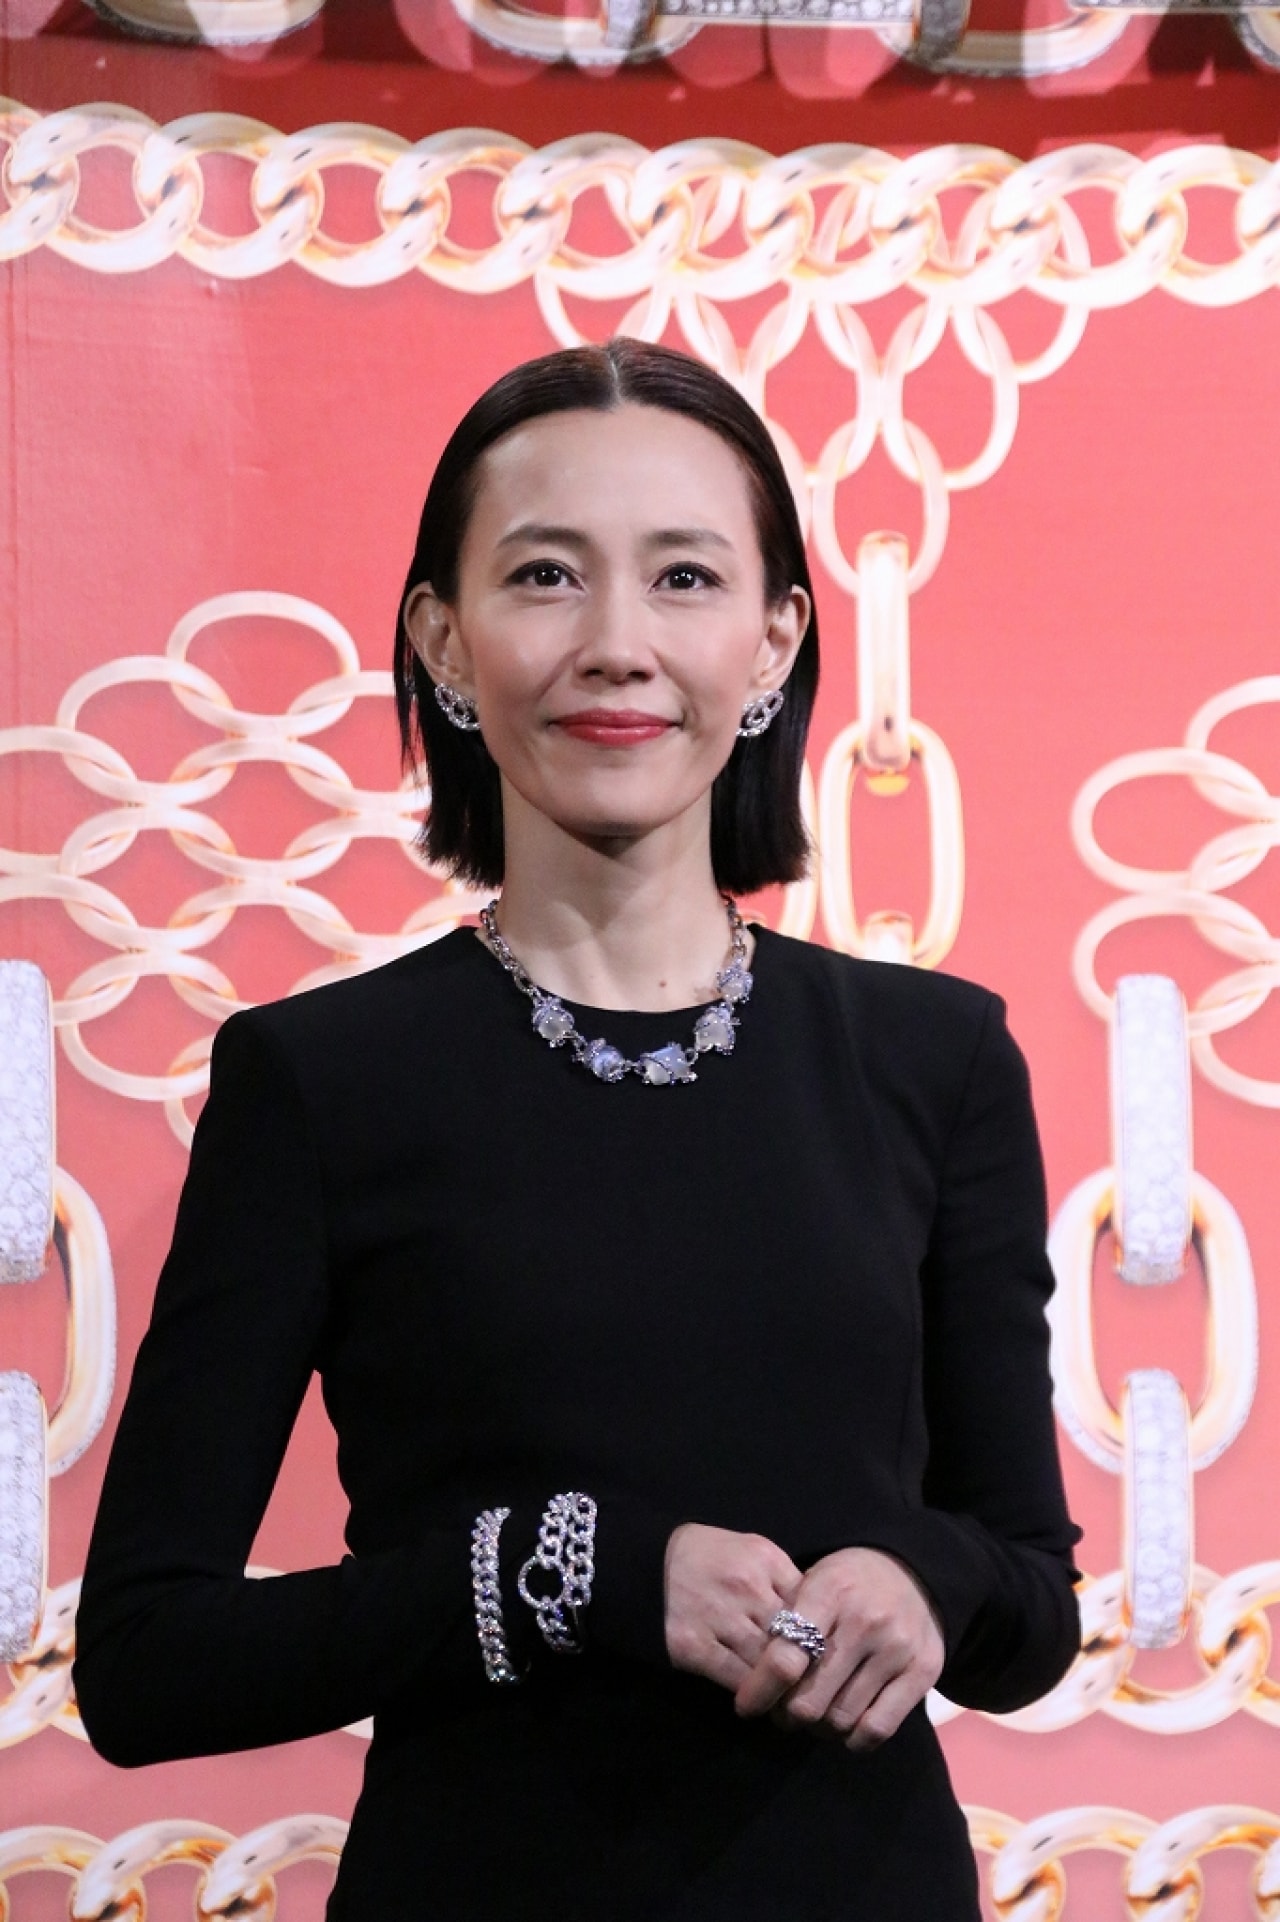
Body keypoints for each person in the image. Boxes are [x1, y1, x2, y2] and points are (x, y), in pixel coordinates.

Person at [73, 338, 1083, 1921]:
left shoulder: (933, 1059)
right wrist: (562, 1574)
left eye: (685, 578)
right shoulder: (319, 1081)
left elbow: (1028, 1599)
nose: (618, 645)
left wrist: (922, 1584)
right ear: (444, 639)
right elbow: (146, 1661)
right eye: (546, 575)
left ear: (773, 638)